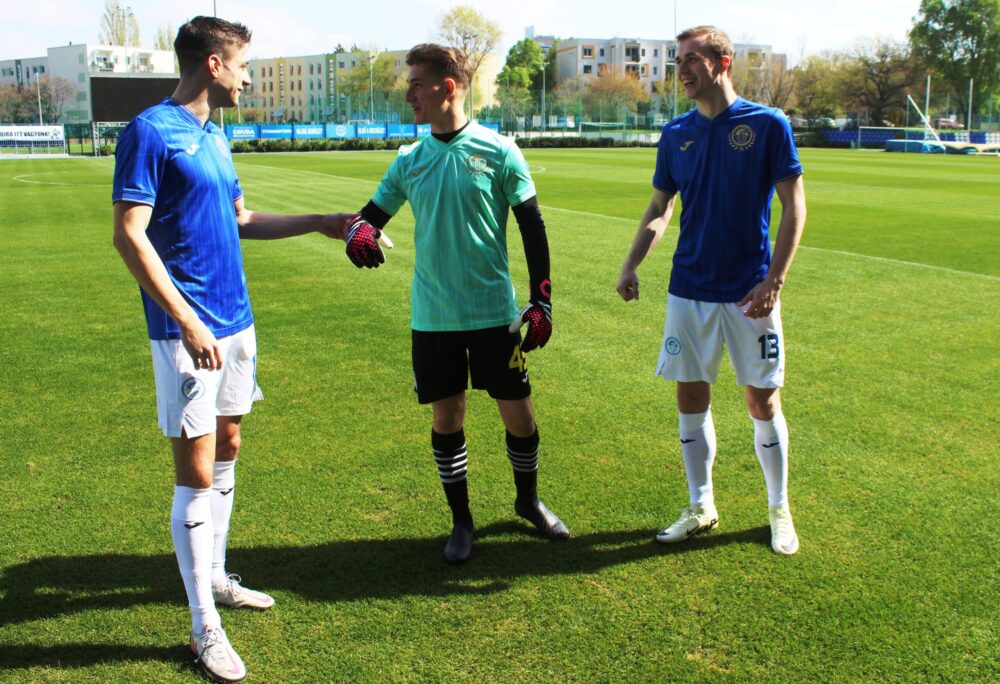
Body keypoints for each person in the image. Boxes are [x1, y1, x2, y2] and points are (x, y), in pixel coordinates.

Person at [112, 16, 352, 682]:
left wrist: (322, 222)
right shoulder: (150, 132)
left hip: (237, 322)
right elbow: (129, 235)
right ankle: (202, 628)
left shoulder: (216, 136)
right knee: (193, 470)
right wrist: (186, 320)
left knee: (230, 445)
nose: (249, 77)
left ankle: (216, 576)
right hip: (188, 332)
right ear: (214, 64)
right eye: (243, 64)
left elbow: (241, 220)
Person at [344, 43, 569, 564]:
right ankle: (462, 522)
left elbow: (532, 227)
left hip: (494, 315)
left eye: (416, 85)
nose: (408, 95)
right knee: (448, 418)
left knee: (520, 417)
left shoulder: (500, 151)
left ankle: (529, 501)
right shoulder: (409, 160)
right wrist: (360, 232)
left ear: (447, 87)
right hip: (434, 318)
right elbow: (369, 217)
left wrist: (541, 301)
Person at [616, 26, 807, 555]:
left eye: (691, 59)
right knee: (689, 396)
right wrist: (631, 264)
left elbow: (795, 205)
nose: (681, 69)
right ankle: (701, 505)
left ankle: (778, 509)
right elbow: (661, 208)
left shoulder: (767, 124)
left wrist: (774, 280)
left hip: (750, 291)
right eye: (678, 60)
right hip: (690, 289)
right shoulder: (676, 133)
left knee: (762, 399)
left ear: (723, 62)